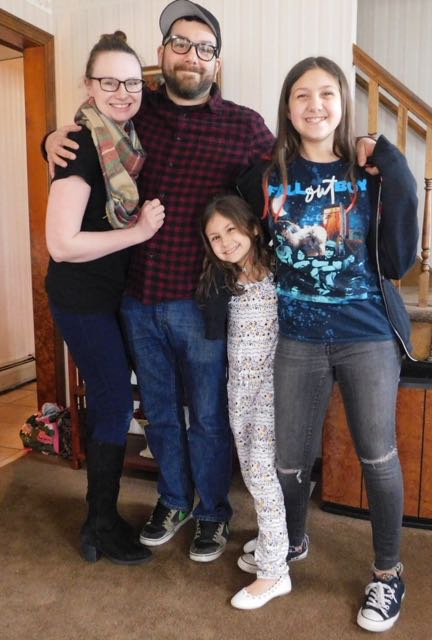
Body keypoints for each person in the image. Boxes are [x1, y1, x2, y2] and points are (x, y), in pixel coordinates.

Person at [44, 1, 377, 564]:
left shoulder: (244, 126)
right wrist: (49, 138)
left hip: (201, 302)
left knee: (208, 417)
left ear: (216, 62)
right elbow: (86, 141)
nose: (191, 56)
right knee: (159, 414)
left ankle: (214, 513)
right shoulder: (133, 113)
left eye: (204, 49)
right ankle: (173, 501)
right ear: (162, 53)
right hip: (135, 298)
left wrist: (360, 149)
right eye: (180, 44)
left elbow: (295, 170)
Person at [237, 57, 418, 631]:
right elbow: (235, 228)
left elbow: (400, 258)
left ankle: (388, 573)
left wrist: (394, 162)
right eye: (301, 95)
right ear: (287, 108)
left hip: (366, 336)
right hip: (297, 338)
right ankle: (292, 540)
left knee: (378, 457)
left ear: (342, 103)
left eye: (326, 94)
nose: (314, 105)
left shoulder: (371, 172)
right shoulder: (266, 177)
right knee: (289, 459)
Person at [45, 31, 165, 565]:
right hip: (81, 297)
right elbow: (62, 243)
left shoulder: (125, 141)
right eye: (109, 82)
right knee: (114, 401)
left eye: (132, 83)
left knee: (114, 399)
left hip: (111, 294)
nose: (123, 92)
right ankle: (99, 524)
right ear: (88, 86)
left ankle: (101, 517)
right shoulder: (80, 147)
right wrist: (138, 233)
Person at [197, 194, 291, 609]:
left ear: (253, 227)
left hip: (273, 389)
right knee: (254, 475)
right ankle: (275, 542)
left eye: (231, 229)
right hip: (240, 391)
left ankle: (274, 572)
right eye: (215, 236)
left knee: (260, 473)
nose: (225, 242)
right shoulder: (224, 283)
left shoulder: (280, 274)